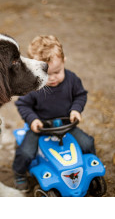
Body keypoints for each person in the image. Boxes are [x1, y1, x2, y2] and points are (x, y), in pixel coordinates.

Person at [12, 35, 96, 191]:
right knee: (26, 152)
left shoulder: (72, 80)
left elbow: (80, 95)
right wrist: (33, 120)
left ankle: (88, 168)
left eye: (56, 72)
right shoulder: (33, 86)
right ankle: (19, 174)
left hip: (66, 124)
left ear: (64, 61)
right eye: (45, 74)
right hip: (40, 128)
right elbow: (23, 105)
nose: (51, 78)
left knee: (87, 143)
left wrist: (76, 109)